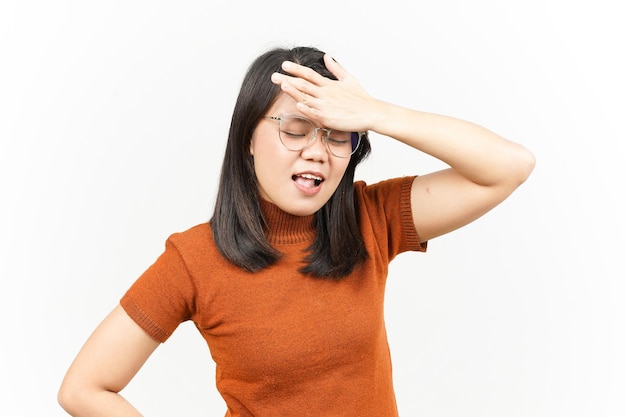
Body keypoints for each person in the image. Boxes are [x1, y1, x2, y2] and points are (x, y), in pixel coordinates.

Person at [58, 45, 535, 416]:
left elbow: (509, 166)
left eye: (335, 133)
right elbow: (84, 388)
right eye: (296, 128)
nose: (317, 151)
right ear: (248, 135)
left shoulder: (370, 218)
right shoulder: (194, 260)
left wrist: (377, 114)